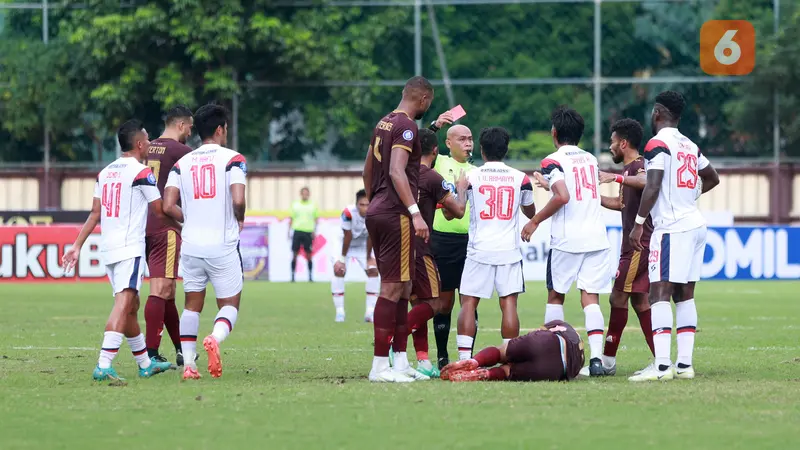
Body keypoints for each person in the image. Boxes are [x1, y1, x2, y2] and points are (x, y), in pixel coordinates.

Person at [62, 119, 173, 382]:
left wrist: (77, 246)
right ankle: (103, 363)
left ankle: (145, 364)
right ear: (138, 144)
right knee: (123, 305)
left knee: (131, 307)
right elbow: (159, 210)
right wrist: (184, 222)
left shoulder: (105, 172)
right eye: (147, 140)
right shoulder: (142, 173)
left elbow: (95, 213)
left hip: (109, 250)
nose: (150, 143)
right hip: (129, 249)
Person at [628, 91, 720, 381]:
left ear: (657, 112)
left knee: (658, 293)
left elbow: (652, 186)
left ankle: (662, 366)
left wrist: (639, 222)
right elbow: (713, 177)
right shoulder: (690, 144)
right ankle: (684, 365)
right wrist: (689, 195)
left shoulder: (657, 143)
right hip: (695, 224)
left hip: (672, 228)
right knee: (685, 294)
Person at [521, 105, 611, 377]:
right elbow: (576, 190)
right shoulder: (591, 159)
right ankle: (596, 360)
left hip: (568, 240)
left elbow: (563, 196)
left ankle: (554, 357)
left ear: (554, 132)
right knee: (590, 298)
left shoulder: (552, 161)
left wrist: (534, 220)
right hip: (596, 237)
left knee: (556, 295)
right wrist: (550, 186)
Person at [163, 104, 247, 380]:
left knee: (191, 305)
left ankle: (188, 365)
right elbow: (238, 199)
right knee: (229, 304)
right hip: (221, 245)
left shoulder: (181, 163)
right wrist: (240, 218)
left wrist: (190, 219)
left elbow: (168, 204)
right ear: (221, 129)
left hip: (191, 245)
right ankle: (214, 338)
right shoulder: (233, 159)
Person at [362, 75, 434, 383]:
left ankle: (401, 361)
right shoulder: (408, 126)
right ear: (423, 100)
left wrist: (372, 198)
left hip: (380, 209)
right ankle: (380, 365)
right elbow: (396, 170)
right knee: (392, 287)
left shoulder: (383, 123)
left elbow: (368, 167)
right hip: (396, 213)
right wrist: (416, 213)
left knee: (404, 287)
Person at [578, 118, 656, 376]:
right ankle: (661, 358)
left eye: (612, 142)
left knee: (617, 296)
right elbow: (621, 204)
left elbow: (646, 183)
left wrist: (616, 177)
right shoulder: (630, 169)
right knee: (639, 301)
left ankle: (608, 361)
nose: (610, 147)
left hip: (637, 245)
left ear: (623, 143)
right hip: (633, 245)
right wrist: (593, 197)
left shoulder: (639, 167)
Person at [456, 127, 536, 360]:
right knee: (509, 303)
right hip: (508, 251)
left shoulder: (471, 176)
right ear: (506, 149)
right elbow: (530, 211)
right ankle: (510, 357)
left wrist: (460, 191)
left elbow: (459, 210)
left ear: (481, 149)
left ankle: (463, 360)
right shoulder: (520, 178)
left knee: (469, 303)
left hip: (478, 249)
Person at [400, 128, 468, 378]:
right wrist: (460, 189)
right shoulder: (432, 176)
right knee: (436, 303)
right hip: (423, 246)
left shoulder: (399, 174)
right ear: (437, 150)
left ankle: (423, 361)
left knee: (414, 301)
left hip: (398, 243)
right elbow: (458, 211)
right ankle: (392, 340)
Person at [143, 105, 193, 366]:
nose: (190, 133)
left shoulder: (146, 147)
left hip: (145, 224)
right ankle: (150, 355)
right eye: (190, 128)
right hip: (166, 225)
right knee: (161, 287)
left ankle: (181, 350)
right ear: (182, 125)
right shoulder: (182, 152)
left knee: (169, 291)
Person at [429, 123, 477, 370]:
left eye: (470, 139)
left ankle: (468, 357)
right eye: (462, 139)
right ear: (448, 143)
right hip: (443, 240)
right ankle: (441, 355)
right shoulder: (439, 163)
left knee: (469, 301)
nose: (468, 143)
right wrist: (434, 125)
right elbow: (420, 145)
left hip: (471, 243)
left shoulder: (477, 171)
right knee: (444, 303)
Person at [440, 320, 584, 382]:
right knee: (508, 371)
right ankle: (487, 373)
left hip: (547, 341)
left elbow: (540, 332)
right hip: (557, 368)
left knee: (502, 352)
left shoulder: (561, 325)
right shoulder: (579, 360)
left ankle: (475, 361)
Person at [331, 189, 380, 323]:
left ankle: (370, 312)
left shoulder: (375, 213)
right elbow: (348, 236)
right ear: (356, 204)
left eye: (367, 204)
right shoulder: (348, 213)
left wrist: (368, 257)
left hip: (363, 245)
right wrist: (341, 259)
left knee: (373, 271)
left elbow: (371, 236)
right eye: (361, 205)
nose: (365, 208)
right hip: (343, 244)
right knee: (339, 270)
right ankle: (339, 312)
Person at [289, 187, 318, 282]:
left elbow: (316, 219)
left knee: (309, 254)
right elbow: (291, 218)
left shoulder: (313, 205)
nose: (305, 195)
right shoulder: (295, 205)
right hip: (297, 230)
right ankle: (293, 276)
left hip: (308, 231)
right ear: (301, 194)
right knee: (294, 254)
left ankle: (310, 276)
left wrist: (314, 230)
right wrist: (288, 231)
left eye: (307, 193)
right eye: (303, 193)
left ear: (309, 194)